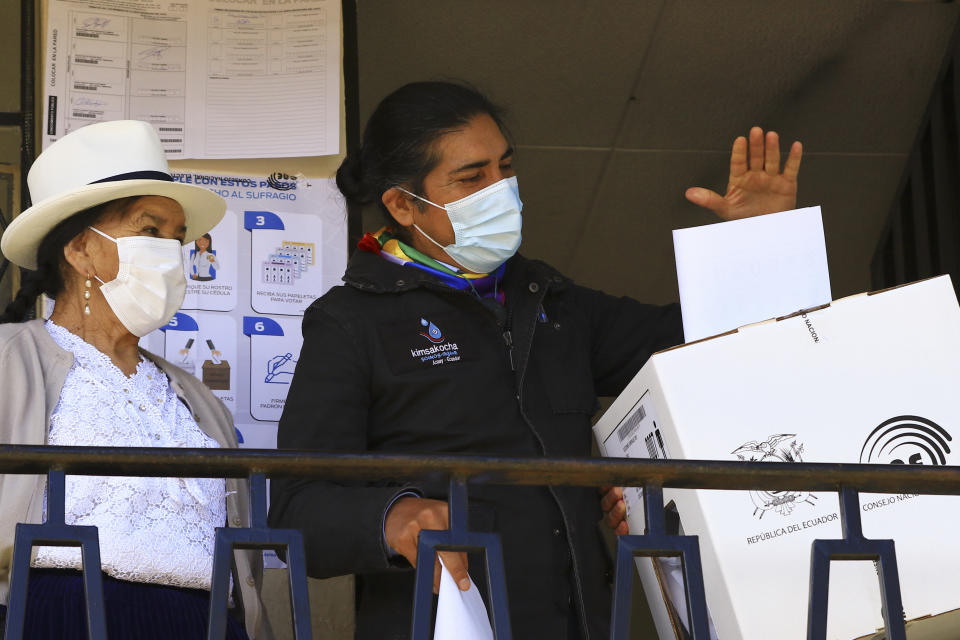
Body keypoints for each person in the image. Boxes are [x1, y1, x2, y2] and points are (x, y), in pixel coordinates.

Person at [268, 81, 802, 639]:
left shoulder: (552, 301)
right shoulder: (351, 320)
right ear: (403, 204)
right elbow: (295, 508)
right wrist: (394, 517)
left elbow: (703, 344)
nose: (499, 189)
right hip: (445, 623)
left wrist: (757, 242)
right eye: (472, 178)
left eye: (505, 167)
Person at [0, 120, 270, 640]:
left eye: (178, 237)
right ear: (80, 251)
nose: (171, 253)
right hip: (64, 620)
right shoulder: (10, 361)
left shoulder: (193, 396)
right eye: (150, 231)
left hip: (206, 622)